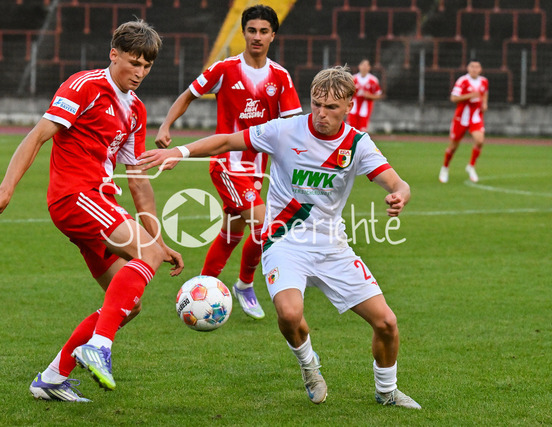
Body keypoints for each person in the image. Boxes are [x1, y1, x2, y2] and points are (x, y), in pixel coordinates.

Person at [139, 66, 421, 408]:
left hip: (332, 246)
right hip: (284, 242)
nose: (321, 113)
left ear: (349, 105)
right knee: (289, 313)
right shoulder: (285, 130)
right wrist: (179, 152)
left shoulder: (357, 144)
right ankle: (309, 366)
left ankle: (387, 391)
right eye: (316, 104)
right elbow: (227, 140)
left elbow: (397, 182)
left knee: (387, 322)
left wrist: (399, 195)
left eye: (331, 107)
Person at [0, 20, 184, 402]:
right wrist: (6, 189)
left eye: (146, 66)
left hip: (100, 202)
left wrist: (156, 238)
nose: (139, 72)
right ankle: (100, 346)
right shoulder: (85, 87)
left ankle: (51, 378)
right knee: (147, 257)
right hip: (75, 196)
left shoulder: (136, 110)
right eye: (134, 62)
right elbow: (37, 136)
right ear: (114, 54)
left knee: (129, 305)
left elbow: (138, 182)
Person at [155, 4, 302, 320]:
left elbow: (293, 127)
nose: (257, 37)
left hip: (257, 169)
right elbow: (188, 95)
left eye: (263, 31)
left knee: (231, 234)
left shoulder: (280, 76)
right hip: (226, 166)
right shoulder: (224, 69)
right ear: (244, 33)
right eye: (251, 30)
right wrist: (166, 125)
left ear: (273, 36)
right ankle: (245, 284)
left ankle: (198, 292)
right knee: (267, 226)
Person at [439, 60, 489, 183]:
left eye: (477, 67)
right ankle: (445, 168)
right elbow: (453, 98)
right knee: (453, 147)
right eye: (472, 66)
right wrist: (469, 95)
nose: (474, 69)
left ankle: (471, 166)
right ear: (468, 68)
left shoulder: (484, 81)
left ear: (480, 69)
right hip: (461, 118)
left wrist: (484, 103)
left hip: (476, 117)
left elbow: (485, 93)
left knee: (480, 141)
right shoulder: (462, 81)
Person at [347, 58, 382, 132]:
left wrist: (370, 96)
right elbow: (347, 93)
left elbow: (378, 95)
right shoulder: (353, 79)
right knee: (351, 131)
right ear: (359, 66)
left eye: (366, 65)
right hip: (353, 109)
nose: (364, 67)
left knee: (362, 132)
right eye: (363, 65)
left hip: (365, 110)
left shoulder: (373, 80)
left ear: (369, 67)